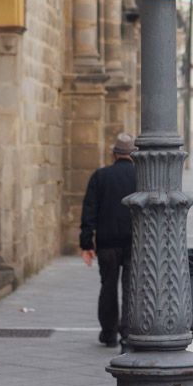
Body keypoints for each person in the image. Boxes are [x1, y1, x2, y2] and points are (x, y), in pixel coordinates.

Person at [80, 133, 137, 347]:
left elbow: (89, 211)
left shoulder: (100, 176)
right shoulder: (141, 177)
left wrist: (87, 243)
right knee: (131, 288)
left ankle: (109, 333)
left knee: (108, 286)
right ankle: (128, 333)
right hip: (134, 242)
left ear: (114, 154)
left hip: (106, 243)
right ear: (134, 155)